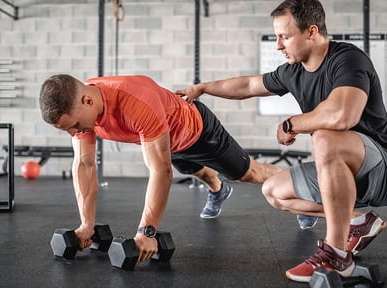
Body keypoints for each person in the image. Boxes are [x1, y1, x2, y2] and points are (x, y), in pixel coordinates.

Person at [176, 0, 387, 283]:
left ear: (311, 31)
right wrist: (202, 88)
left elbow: (342, 115)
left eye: (285, 37)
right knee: (274, 190)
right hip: (349, 178)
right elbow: (249, 85)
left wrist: (292, 124)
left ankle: (336, 255)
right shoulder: (293, 72)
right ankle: (358, 221)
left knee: (325, 137)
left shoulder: (347, 58)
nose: (278, 45)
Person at [39, 74, 281, 261]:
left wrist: (147, 232)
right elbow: (84, 164)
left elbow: (161, 172)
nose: (74, 133)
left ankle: (301, 186)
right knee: (193, 170)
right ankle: (218, 190)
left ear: (87, 101)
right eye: (66, 129)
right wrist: (86, 225)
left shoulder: (135, 103)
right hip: (168, 142)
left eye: (73, 125)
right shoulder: (84, 108)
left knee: (249, 174)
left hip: (199, 133)